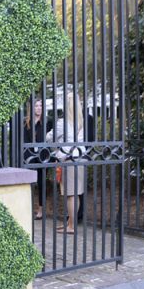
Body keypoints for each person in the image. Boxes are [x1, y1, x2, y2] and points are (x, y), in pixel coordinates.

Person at [46, 93, 86, 234]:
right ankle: (70, 223)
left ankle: (71, 227)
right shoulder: (81, 121)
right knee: (76, 194)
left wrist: (56, 147)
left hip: (68, 160)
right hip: (80, 159)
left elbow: (49, 138)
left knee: (70, 195)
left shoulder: (62, 122)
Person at [23, 98, 52, 219]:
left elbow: (51, 139)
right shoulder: (26, 123)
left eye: (41, 106)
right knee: (29, 183)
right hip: (29, 156)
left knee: (41, 183)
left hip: (43, 156)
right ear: (32, 108)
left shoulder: (47, 122)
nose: (39, 108)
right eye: (36, 106)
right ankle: (27, 208)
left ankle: (40, 210)